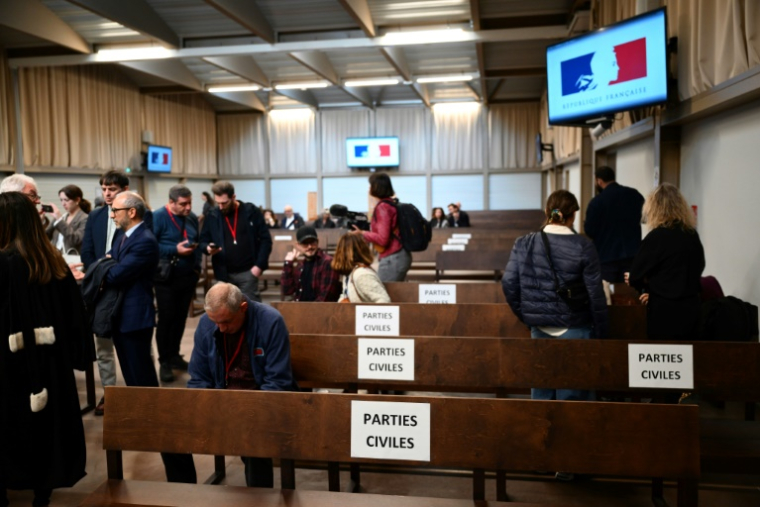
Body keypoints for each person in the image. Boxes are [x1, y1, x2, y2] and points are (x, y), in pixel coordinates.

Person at [0, 192, 91, 507]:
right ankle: (43, 490)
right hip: (51, 364)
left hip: (9, 365)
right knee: (47, 426)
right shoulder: (53, 261)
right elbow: (75, 317)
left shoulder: (3, 263)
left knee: (11, 425)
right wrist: (77, 356)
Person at [166, 282, 298, 486]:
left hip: (260, 402)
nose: (221, 328)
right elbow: (199, 377)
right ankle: (184, 494)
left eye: (226, 321)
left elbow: (277, 382)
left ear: (243, 307)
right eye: (215, 322)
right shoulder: (206, 323)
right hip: (221, 401)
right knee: (168, 433)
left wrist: (248, 411)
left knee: (254, 436)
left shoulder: (270, 322)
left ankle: (259, 498)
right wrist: (200, 409)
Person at [502, 190, 608, 404]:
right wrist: (602, 332)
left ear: (546, 212)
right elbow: (595, 294)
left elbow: (509, 283)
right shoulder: (584, 246)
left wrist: (527, 316)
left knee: (542, 389)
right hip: (575, 324)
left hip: (539, 327)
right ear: (573, 215)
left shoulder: (524, 243)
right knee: (574, 394)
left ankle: (542, 435)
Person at [80, 170, 140, 416]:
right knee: (103, 345)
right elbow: (87, 251)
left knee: (134, 345)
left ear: (125, 189)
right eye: (104, 188)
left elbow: (136, 254)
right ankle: (110, 393)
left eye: (112, 189)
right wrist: (97, 275)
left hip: (126, 287)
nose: (107, 193)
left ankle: (138, 392)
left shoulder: (136, 217)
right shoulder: (95, 216)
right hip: (100, 289)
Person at [627, 183, 705, 340]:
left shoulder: (656, 238)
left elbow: (635, 276)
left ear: (654, 209)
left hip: (663, 313)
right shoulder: (691, 235)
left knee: (663, 360)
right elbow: (699, 266)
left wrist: (650, 288)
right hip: (692, 311)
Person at [152, 185, 201, 383]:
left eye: (190, 203)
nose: (188, 207)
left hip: (187, 276)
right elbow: (150, 245)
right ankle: (164, 360)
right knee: (166, 319)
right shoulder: (158, 217)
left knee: (180, 318)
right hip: (166, 278)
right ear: (171, 202)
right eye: (183, 204)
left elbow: (196, 239)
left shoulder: (191, 217)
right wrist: (174, 249)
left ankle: (174, 355)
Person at [199, 181, 272, 303]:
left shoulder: (251, 212)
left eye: (224, 203)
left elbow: (265, 240)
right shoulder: (212, 215)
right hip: (223, 274)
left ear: (233, 197)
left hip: (248, 272)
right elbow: (202, 241)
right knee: (226, 312)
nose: (221, 207)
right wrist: (208, 248)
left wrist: (259, 266)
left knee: (251, 309)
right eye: (218, 203)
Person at [584, 166, 645, 283]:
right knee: (629, 293)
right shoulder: (634, 195)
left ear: (599, 181)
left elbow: (590, 230)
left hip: (605, 257)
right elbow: (645, 217)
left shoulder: (597, 202)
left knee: (608, 294)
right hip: (631, 255)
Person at [351, 173, 411, 283]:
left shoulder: (383, 207)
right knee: (392, 296)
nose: (369, 188)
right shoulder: (391, 203)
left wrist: (362, 233)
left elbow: (383, 239)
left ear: (377, 187)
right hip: (398, 256)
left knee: (381, 296)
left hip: (393, 258)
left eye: (371, 185)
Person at [281, 226, 341, 302]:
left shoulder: (328, 262)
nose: (309, 247)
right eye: (305, 243)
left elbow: (326, 297)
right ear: (298, 245)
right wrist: (288, 263)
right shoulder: (300, 265)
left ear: (318, 242)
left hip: (319, 311)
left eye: (312, 242)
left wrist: (307, 312)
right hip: (301, 309)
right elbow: (287, 291)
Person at [332, 234, 391, 303]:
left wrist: (363, 313)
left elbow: (384, 301)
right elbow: (345, 294)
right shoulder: (349, 272)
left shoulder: (362, 274)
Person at [46, 184, 91, 255]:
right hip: (55, 258)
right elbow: (44, 237)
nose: (63, 203)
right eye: (61, 200)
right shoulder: (62, 217)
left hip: (72, 260)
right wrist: (40, 219)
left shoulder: (85, 218)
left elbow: (76, 239)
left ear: (77, 200)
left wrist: (60, 220)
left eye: (66, 200)